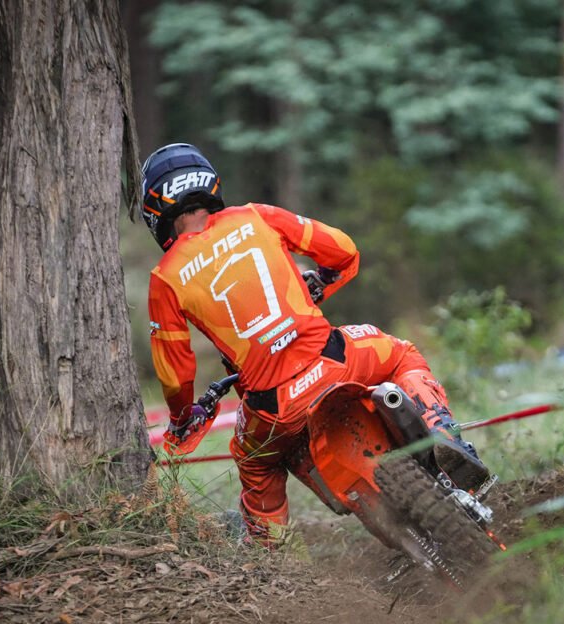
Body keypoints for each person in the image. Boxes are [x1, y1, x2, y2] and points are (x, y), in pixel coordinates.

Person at [142, 143, 489, 544]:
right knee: (401, 354)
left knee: (254, 464)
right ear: (208, 183)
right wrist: (321, 281)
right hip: (336, 362)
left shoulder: (165, 278)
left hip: (272, 411)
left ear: (156, 210)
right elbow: (342, 249)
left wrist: (184, 419)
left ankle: (270, 557)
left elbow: (175, 375)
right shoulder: (257, 216)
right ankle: (442, 436)